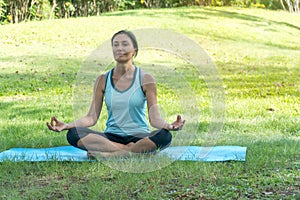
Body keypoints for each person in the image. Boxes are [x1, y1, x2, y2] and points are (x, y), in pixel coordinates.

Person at [47, 30, 185, 158]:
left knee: (164, 136)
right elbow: (91, 117)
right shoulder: (102, 80)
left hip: (140, 137)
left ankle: (111, 154)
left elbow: (155, 119)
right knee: (73, 134)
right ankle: (132, 152)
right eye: (115, 45)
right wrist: (67, 125)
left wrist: (169, 126)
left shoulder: (146, 79)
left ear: (134, 51)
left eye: (125, 44)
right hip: (111, 137)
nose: (119, 48)